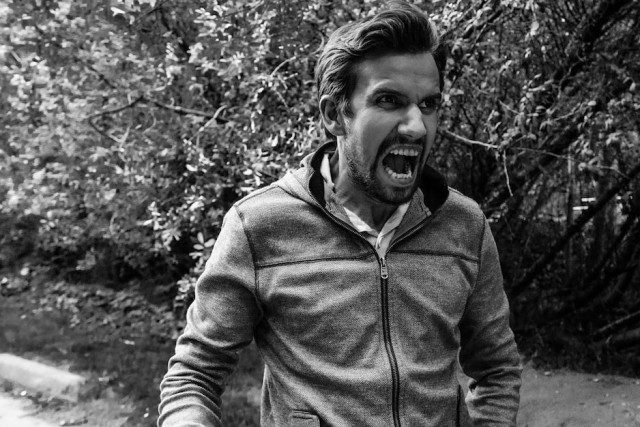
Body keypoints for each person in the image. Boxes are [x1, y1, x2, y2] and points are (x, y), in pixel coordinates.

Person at [158, 1, 522, 426]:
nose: (416, 126)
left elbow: (497, 368)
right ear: (334, 114)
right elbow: (194, 374)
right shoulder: (259, 226)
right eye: (389, 100)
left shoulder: (464, 225)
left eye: (428, 104)